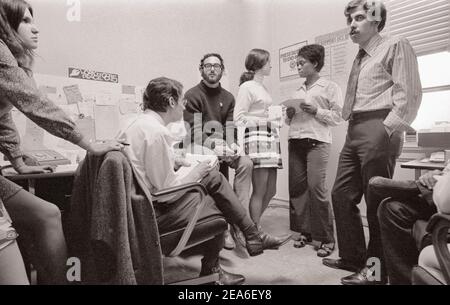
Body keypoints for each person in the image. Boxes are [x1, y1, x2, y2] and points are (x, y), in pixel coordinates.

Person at [117, 77, 289, 285]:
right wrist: (197, 170)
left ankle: (247, 236)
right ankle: (243, 240)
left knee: (213, 181)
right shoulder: (156, 132)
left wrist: (175, 160)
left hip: (139, 203)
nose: (184, 105)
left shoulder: (137, 124)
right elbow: (167, 191)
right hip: (153, 209)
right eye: (181, 101)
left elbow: (146, 166)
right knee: (215, 192)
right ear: (171, 102)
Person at [0, 0, 124, 284]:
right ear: (5, 24)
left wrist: (18, 160)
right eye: (26, 21)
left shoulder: (13, 63)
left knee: (48, 214)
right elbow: (35, 104)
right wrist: (88, 142)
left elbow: (2, 115)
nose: (36, 29)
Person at [322, 0, 422, 285]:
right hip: (355, 127)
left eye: (358, 18)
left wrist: (386, 130)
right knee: (341, 195)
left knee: (376, 202)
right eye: (349, 20)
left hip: (379, 125)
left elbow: (410, 94)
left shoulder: (395, 44)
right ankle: (352, 258)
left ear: (376, 21)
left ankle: (376, 272)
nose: (351, 25)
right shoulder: (361, 56)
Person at [183, 53, 253, 250]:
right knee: (217, 174)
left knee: (245, 163)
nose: (212, 69)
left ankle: (238, 223)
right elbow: (194, 132)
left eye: (216, 66)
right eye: (207, 66)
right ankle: (222, 228)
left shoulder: (229, 97)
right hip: (201, 148)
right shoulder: (192, 95)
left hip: (222, 147)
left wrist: (232, 147)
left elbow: (229, 127)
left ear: (222, 70)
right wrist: (215, 147)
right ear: (201, 70)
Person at [285, 44, 343, 257]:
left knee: (316, 188)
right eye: (297, 63)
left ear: (315, 63)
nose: (298, 67)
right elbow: (286, 120)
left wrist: (317, 110)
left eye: (302, 63)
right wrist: (289, 114)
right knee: (297, 190)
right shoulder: (297, 90)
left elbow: (338, 117)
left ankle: (327, 238)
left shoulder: (330, 87)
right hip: (296, 141)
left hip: (318, 142)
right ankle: (305, 232)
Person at [234, 49, 290, 247]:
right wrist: (266, 117)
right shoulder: (247, 87)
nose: (271, 65)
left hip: (269, 137)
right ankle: (254, 233)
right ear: (258, 64)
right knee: (260, 189)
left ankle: (251, 227)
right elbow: (239, 117)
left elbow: (261, 114)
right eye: (268, 62)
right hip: (257, 139)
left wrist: (276, 115)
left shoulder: (262, 87)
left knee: (271, 190)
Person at [374, 162, 450, 284]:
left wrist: (440, 181)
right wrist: (438, 174)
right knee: (391, 208)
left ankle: (418, 186)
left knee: (376, 185)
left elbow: (445, 202)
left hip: (445, 213)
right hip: (441, 197)